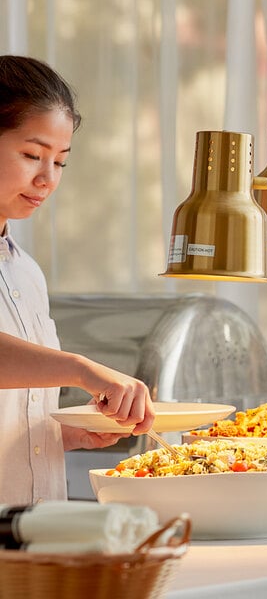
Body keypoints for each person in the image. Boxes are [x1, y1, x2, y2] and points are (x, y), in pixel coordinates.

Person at [0, 54, 155, 504]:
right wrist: (82, 369)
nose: (46, 178)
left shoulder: (26, 273)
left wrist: (63, 435)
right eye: (32, 155)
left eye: (61, 162)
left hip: (37, 535)